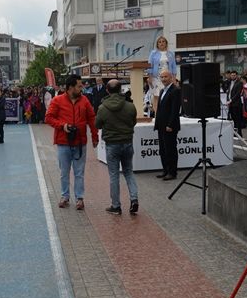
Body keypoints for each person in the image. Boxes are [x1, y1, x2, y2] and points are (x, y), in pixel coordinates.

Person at [45, 74, 99, 210]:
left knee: (79, 172)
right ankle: (65, 196)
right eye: (79, 86)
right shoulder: (57, 100)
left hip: (80, 142)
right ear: (71, 87)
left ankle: (79, 198)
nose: (82, 88)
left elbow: (92, 119)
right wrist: (62, 126)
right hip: (63, 142)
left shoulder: (84, 100)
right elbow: (48, 118)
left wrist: (95, 136)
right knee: (64, 172)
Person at [95, 79, 139, 215]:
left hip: (112, 144)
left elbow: (97, 125)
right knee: (129, 172)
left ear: (107, 90)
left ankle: (116, 206)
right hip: (127, 142)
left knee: (114, 175)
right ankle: (134, 199)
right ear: (121, 90)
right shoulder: (130, 106)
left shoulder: (102, 108)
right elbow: (133, 122)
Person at [154, 71, 181, 180]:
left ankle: (172, 172)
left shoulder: (175, 90)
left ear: (171, 78)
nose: (163, 79)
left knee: (170, 149)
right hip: (161, 125)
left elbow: (175, 110)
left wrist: (170, 125)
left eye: (165, 77)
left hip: (170, 126)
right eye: (161, 77)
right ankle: (165, 170)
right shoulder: (162, 91)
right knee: (162, 149)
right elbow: (160, 109)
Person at [148, 36, 177, 115]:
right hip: (156, 77)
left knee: (168, 95)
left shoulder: (171, 54)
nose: (161, 43)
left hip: (168, 77)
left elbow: (174, 66)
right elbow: (150, 65)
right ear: (157, 44)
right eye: (159, 42)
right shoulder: (153, 53)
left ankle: (167, 114)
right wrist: (150, 77)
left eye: (163, 41)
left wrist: (174, 78)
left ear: (166, 43)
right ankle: (157, 115)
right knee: (156, 96)